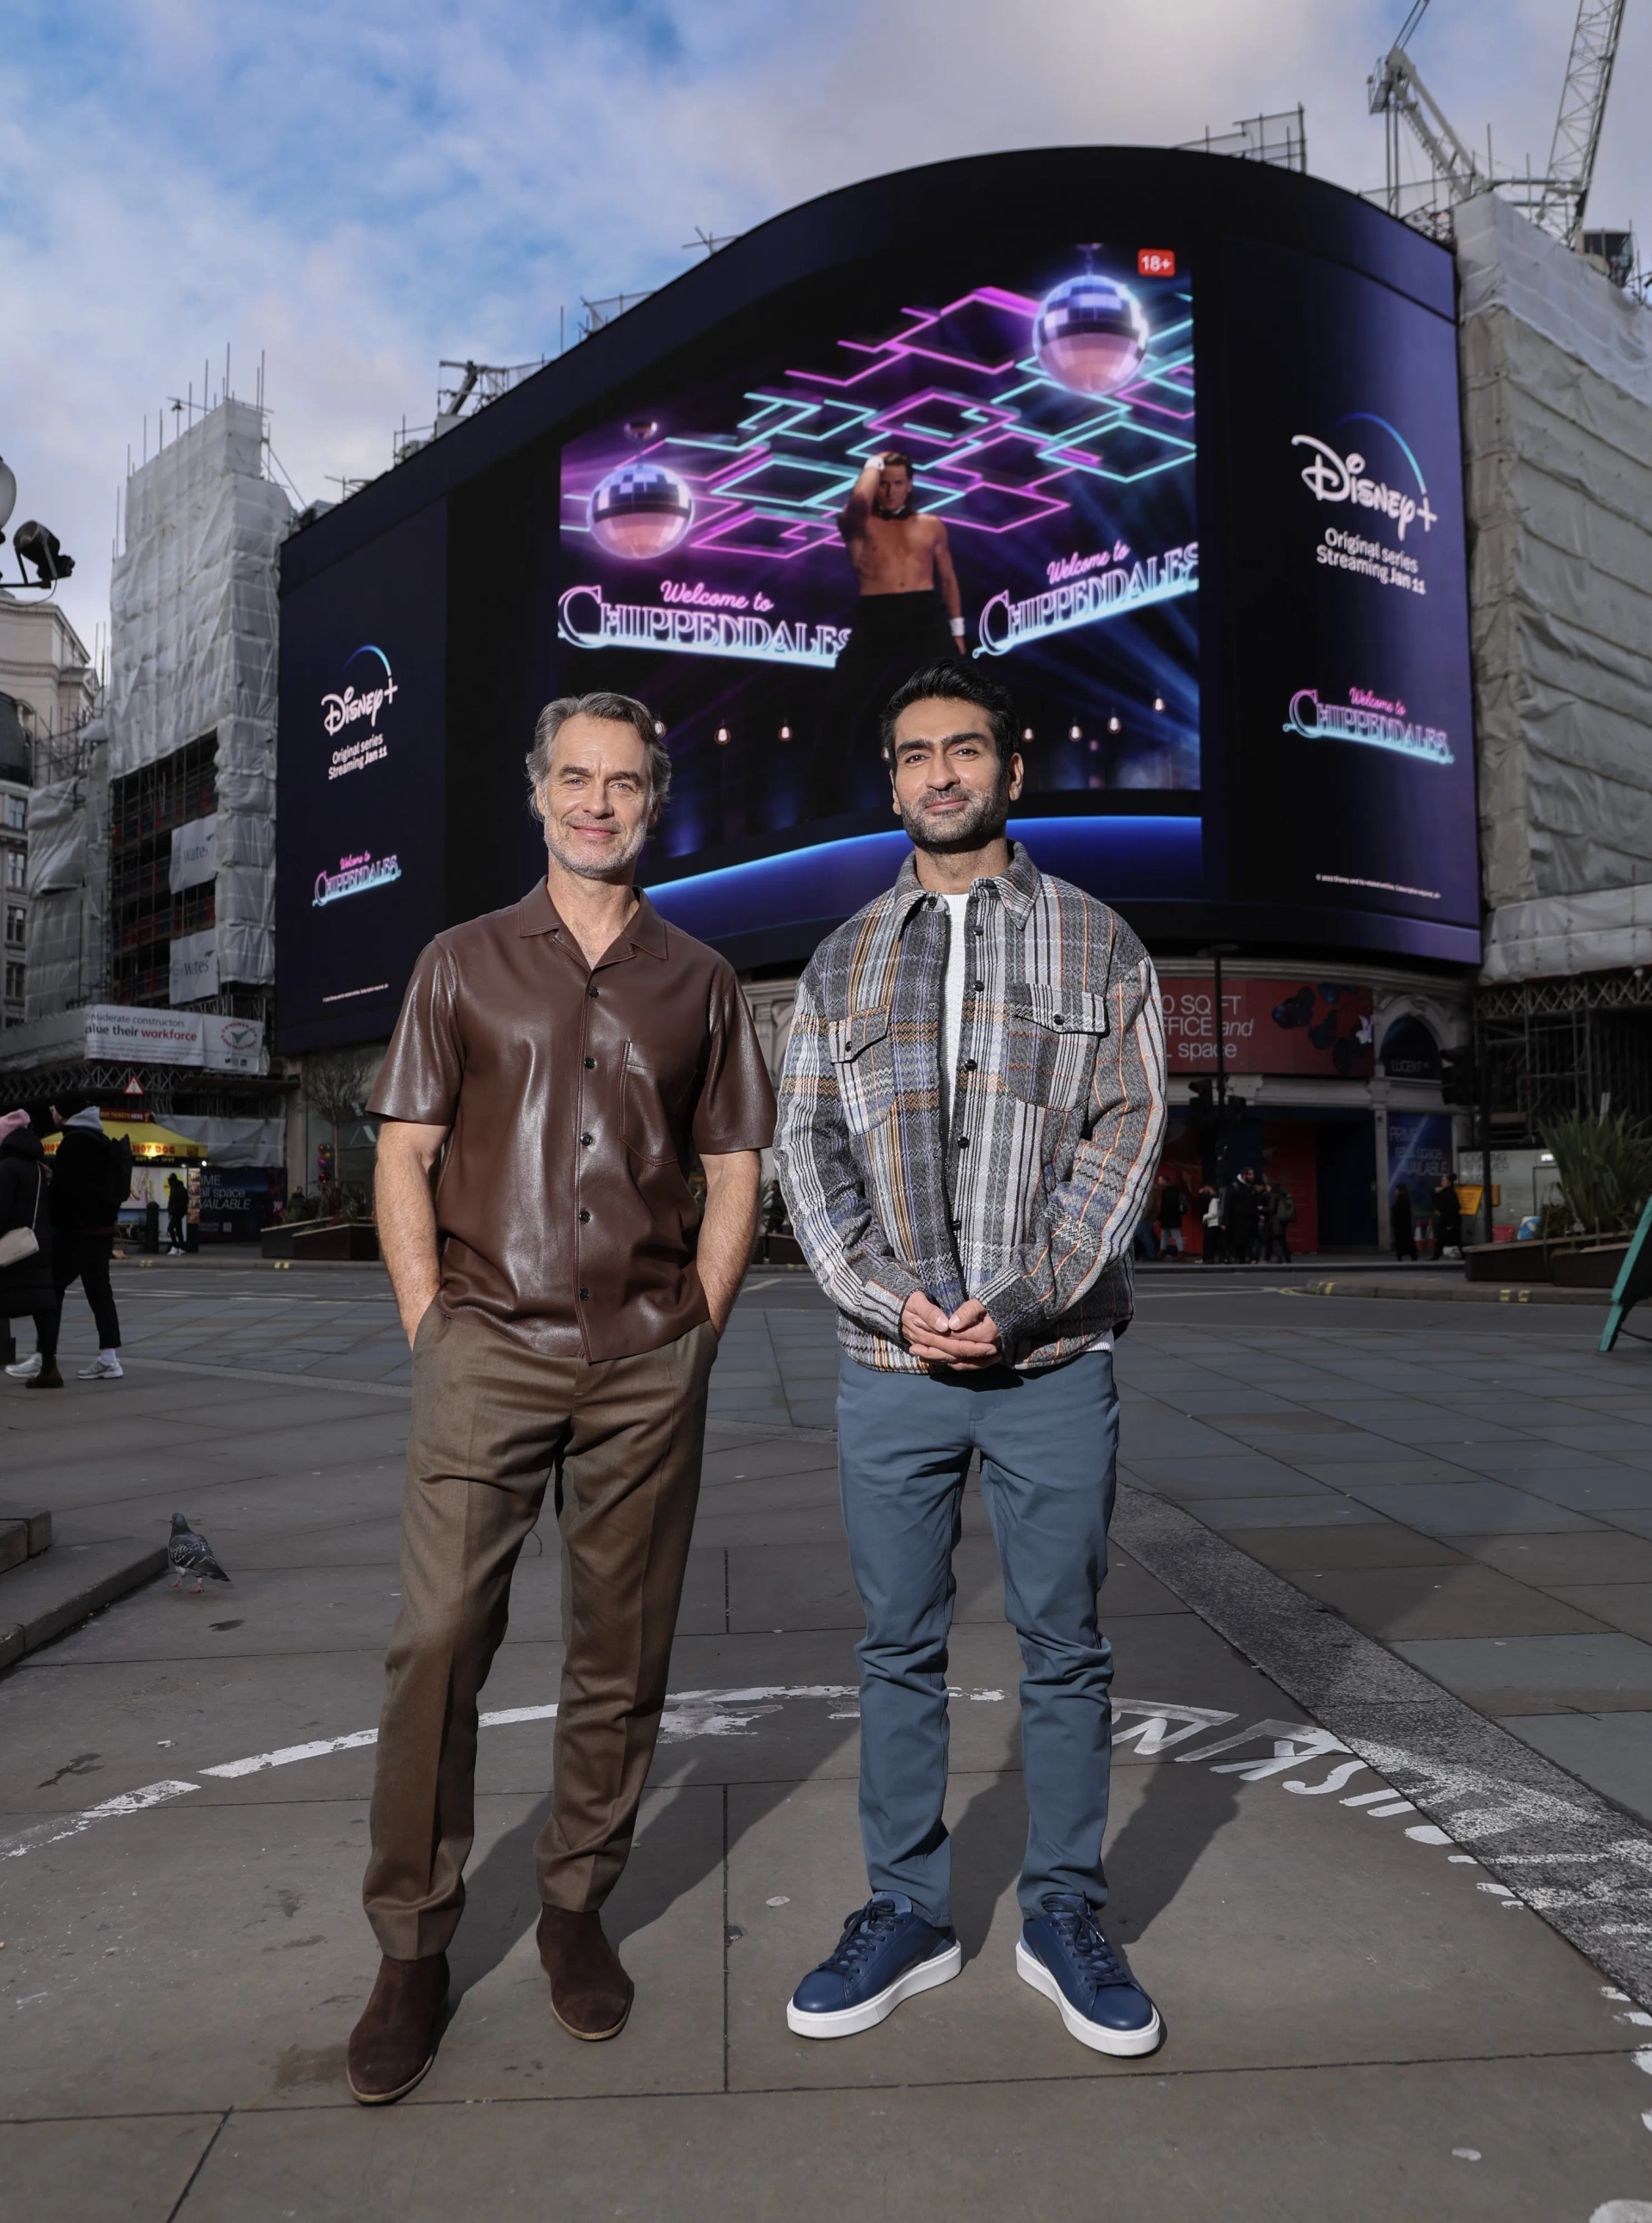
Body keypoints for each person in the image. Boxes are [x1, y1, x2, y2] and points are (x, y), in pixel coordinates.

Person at [345, 690, 774, 2105]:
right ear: (537, 793)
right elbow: (403, 1153)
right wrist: (430, 1325)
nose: (599, 801)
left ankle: (576, 1900)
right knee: (437, 1635)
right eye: (575, 778)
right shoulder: (458, 962)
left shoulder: (701, 977)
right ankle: (413, 1940)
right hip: (487, 1343)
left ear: (659, 800)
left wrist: (697, 1326)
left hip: (648, 1355)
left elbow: (733, 1168)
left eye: (626, 781)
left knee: (621, 1645)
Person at [776, 661, 1167, 2060]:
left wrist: (1020, 1297)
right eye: (914, 753)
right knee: (897, 1643)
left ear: (1012, 764)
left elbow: (1126, 1135)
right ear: (890, 780)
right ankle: (908, 1910)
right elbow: (807, 1157)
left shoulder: (1102, 944)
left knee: (1064, 1644)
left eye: (965, 748)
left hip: (1054, 1360)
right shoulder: (837, 966)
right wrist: (891, 1299)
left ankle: (1065, 1908)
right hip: (887, 1369)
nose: (940, 771)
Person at [804, 451, 965, 818]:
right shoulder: (858, 524)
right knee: (840, 708)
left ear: (909, 486)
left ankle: (966, 781)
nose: (890, 491)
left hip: (926, 612)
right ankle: (820, 811)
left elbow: (948, 579)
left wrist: (957, 632)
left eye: (898, 483)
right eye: (884, 484)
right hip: (876, 614)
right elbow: (858, 501)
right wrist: (872, 465)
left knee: (961, 696)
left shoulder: (932, 524)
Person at [31, 1100, 124, 1382]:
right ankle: (109, 1358)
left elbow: (66, 1193)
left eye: (55, 1109)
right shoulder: (99, 1138)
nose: (52, 1113)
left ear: (67, 1113)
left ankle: (44, 1357)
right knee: (100, 1294)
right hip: (101, 1233)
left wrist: (51, 1183)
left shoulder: (73, 1143)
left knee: (51, 1291)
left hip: (76, 1234)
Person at [0, 1109, 54, 1383]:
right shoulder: (38, 1167)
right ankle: (48, 1364)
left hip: (11, 1246)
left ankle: (43, 1364)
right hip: (34, 1243)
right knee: (41, 1304)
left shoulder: (8, 1167)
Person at [1229, 1167, 1262, 1265]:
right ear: (1244, 1175)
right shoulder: (1235, 1186)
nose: (1253, 1177)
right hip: (1238, 1219)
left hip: (1250, 1219)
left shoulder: (1251, 1187)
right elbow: (1229, 1204)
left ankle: (1244, 1258)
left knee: (1247, 1239)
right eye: (1251, 1174)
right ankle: (1245, 1257)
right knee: (1241, 1239)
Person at [1433, 1173, 1463, 1259]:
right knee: (1441, 1239)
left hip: (1450, 1221)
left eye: (1443, 1181)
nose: (1441, 1182)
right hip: (1445, 1220)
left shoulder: (1451, 1194)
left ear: (1449, 1182)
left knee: (1454, 1240)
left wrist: (1450, 1223)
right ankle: (1436, 1256)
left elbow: (1453, 1208)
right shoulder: (1444, 1192)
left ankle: (1462, 1256)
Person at [1266, 1180, 1296, 1264]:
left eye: (1267, 1187)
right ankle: (1286, 1259)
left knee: (1278, 1240)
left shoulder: (1273, 1195)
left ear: (1271, 1187)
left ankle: (1280, 1259)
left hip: (1275, 1221)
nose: (1266, 1188)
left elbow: (1272, 1209)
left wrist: (1262, 1209)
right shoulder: (1282, 1194)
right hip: (1282, 1220)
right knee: (1280, 1240)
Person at [1157, 1174, 1187, 1257]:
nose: (1159, 1182)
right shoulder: (1172, 1190)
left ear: (1164, 1180)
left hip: (1170, 1218)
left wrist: (1161, 1216)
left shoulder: (1168, 1191)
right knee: (1165, 1235)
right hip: (1172, 1218)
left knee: (1174, 1235)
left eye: (1160, 1180)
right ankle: (1163, 1252)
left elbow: (1167, 1206)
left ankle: (1180, 1253)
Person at [1390, 1181, 1417, 1262]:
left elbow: (1398, 1212)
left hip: (1401, 1225)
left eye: (1396, 1190)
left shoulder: (1401, 1200)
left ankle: (1402, 1256)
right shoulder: (1405, 1199)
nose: (1395, 1191)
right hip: (1403, 1225)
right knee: (1406, 1240)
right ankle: (1412, 1255)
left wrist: (1394, 1222)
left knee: (1401, 1241)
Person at [166, 1172, 188, 1255]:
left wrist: (173, 1211)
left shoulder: (179, 1189)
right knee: (179, 1230)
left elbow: (180, 1202)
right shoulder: (175, 1188)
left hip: (177, 1212)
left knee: (170, 1229)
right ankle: (182, 1248)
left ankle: (175, 1246)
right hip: (176, 1212)